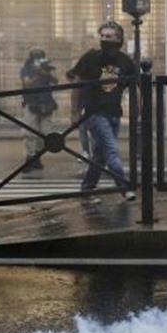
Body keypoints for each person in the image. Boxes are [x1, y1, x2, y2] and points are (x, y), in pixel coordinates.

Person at [66, 21, 138, 201]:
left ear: (119, 39)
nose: (104, 39)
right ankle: (125, 187)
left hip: (114, 112)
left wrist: (137, 109)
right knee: (112, 150)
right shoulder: (91, 57)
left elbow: (134, 86)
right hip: (94, 113)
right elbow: (77, 85)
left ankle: (87, 189)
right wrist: (74, 111)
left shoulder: (125, 61)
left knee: (100, 155)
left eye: (109, 36)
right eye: (102, 36)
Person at [20, 48, 59, 175]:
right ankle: (30, 158)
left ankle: (37, 155)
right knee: (30, 132)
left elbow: (56, 80)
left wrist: (45, 72)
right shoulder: (27, 68)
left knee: (46, 134)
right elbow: (27, 83)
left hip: (46, 103)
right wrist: (37, 74)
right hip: (31, 102)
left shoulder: (47, 68)